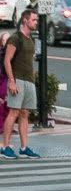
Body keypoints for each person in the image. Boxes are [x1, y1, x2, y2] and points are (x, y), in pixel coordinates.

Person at [2, 8, 40, 159]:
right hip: (17, 80)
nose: (36, 22)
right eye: (34, 20)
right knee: (13, 113)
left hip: (29, 81)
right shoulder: (15, 38)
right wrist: (11, 81)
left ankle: (24, 147)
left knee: (25, 113)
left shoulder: (30, 39)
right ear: (25, 20)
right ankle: (6, 147)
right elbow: (7, 60)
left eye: (36, 20)